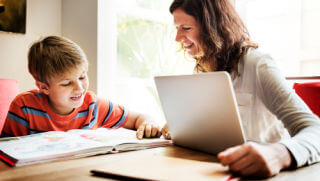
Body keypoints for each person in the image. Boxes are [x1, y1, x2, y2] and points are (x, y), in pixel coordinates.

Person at [161, 0, 320, 178]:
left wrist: (280, 154)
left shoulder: (258, 64)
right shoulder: (201, 69)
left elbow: (315, 130)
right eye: (177, 28)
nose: (177, 38)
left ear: (213, 27)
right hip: (214, 170)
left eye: (186, 28)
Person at [1, 35, 162, 140]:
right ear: (44, 87)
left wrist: (149, 123)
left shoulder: (93, 105)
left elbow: (137, 118)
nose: (79, 88)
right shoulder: (23, 108)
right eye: (66, 83)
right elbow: (6, 152)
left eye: (82, 77)